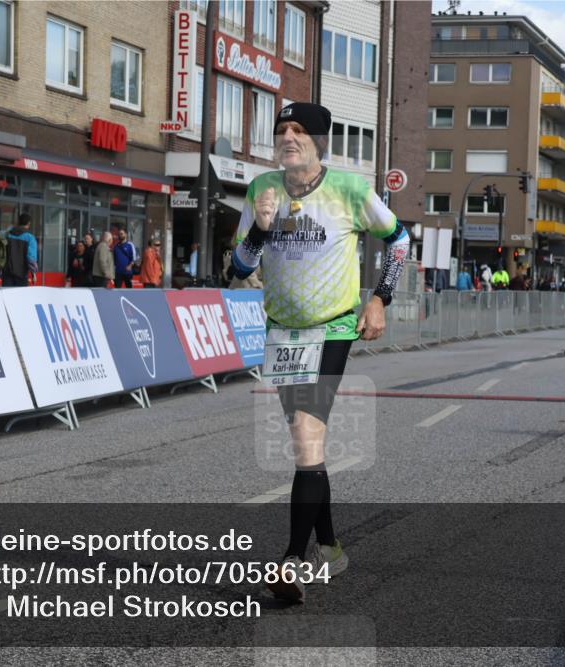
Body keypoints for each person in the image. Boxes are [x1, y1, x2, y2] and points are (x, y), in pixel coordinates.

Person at [228, 102, 407, 603]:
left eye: (300, 130)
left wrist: (380, 298)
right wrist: (261, 230)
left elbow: (398, 239)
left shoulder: (349, 189)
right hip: (283, 334)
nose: (289, 137)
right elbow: (240, 267)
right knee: (307, 446)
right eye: (282, 130)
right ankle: (329, 547)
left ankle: (291, 561)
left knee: (307, 437)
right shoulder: (261, 189)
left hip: (333, 328)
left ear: (319, 141)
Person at [1, 213, 38, 287]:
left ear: (18, 222)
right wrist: (33, 274)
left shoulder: (6, 235)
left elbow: (1, 252)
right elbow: (31, 258)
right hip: (22, 275)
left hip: (7, 273)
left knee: (7, 294)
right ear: (28, 223)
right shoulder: (30, 238)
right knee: (21, 294)